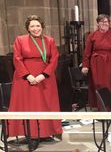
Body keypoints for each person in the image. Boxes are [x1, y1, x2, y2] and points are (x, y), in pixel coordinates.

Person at [8, 15, 62, 150]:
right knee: (30, 106)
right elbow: (17, 59)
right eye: (32, 26)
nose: (35, 28)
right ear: (28, 28)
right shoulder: (20, 40)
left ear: (42, 27)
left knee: (45, 105)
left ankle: (44, 132)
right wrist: (28, 76)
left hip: (45, 79)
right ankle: (32, 135)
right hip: (25, 79)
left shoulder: (49, 41)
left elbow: (54, 59)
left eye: (38, 26)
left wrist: (43, 75)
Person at [82, 14, 111, 109]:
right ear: (98, 23)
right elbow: (87, 52)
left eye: (106, 21)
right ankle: (102, 108)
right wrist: (85, 65)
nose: (104, 23)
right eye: (101, 21)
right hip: (97, 64)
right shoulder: (92, 35)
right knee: (100, 85)